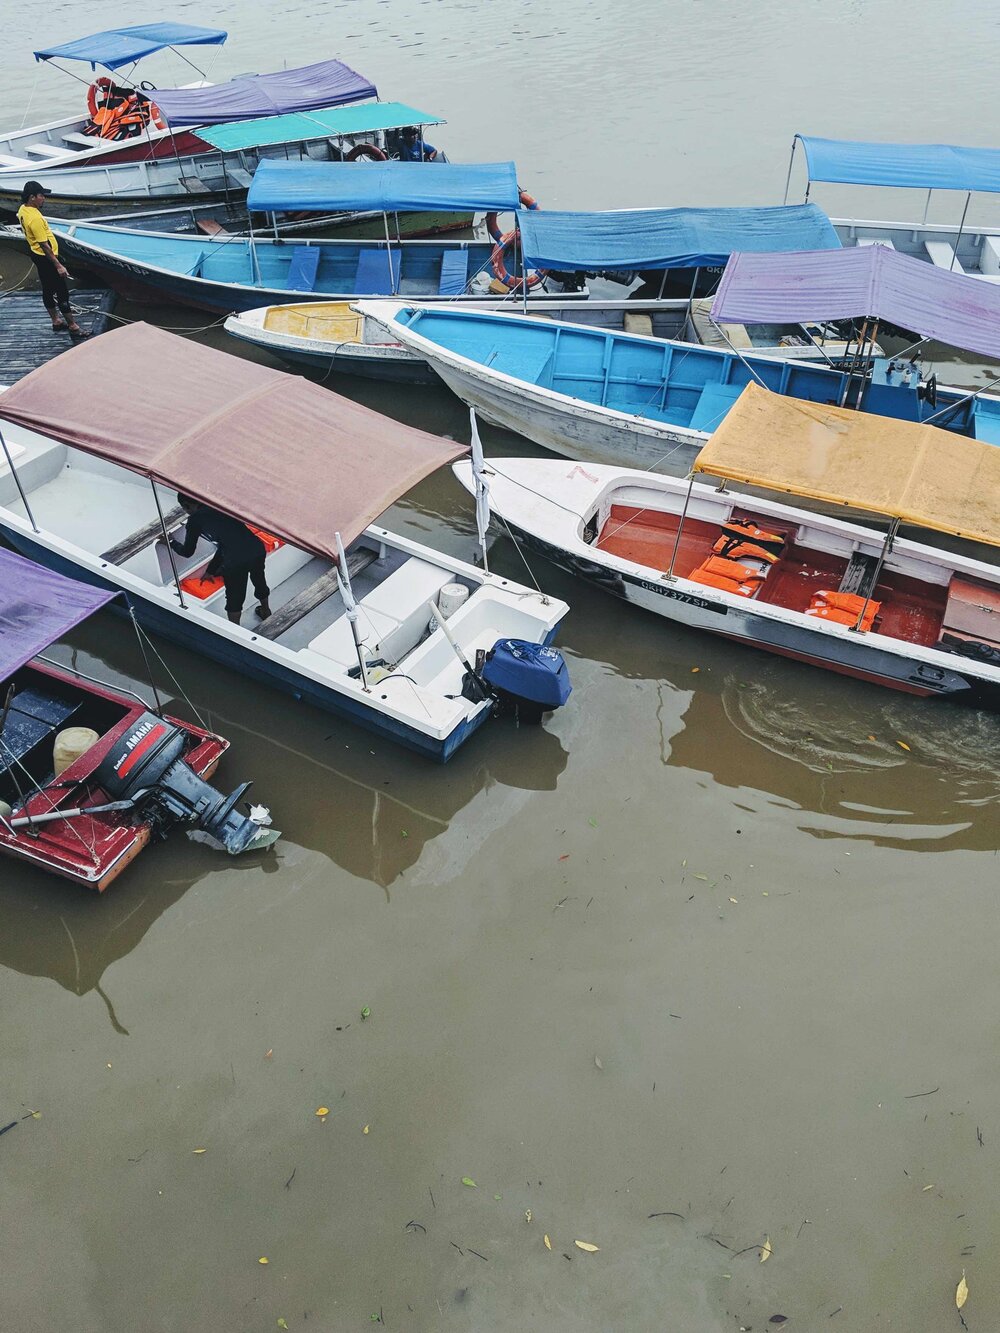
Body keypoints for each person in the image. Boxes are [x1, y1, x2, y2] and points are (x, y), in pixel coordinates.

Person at [169, 495, 272, 625]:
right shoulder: (219, 505)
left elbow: (187, 552)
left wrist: (171, 542)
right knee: (259, 580)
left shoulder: (195, 521)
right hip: (256, 548)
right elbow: (226, 544)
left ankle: (235, 630)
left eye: (185, 508)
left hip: (236, 561)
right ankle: (266, 611)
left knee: (235, 596)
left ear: (187, 505)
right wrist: (210, 570)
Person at [16, 182, 87, 338]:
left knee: (47, 288)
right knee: (62, 291)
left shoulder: (23, 210)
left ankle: (56, 321)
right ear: (32, 197)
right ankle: (73, 326)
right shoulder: (34, 218)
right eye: (41, 196)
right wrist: (59, 265)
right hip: (46, 257)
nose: (44, 199)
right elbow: (45, 245)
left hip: (36, 254)